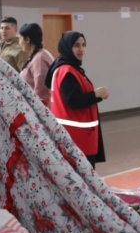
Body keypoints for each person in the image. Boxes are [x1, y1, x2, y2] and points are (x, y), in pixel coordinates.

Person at [45, 31, 108, 167]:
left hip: (75, 138)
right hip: (77, 139)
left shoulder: (66, 68)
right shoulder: (67, 71)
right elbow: (74, 101)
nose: (81, 49)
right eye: (76, 45)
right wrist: (96, 94)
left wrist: (96, 97)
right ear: (67, 47)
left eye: (83, 45)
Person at [17, 22, 55, 106]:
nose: (19, 42)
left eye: (20, 38)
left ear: (27, 40)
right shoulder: (37, 56)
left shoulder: (40, 58)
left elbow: (42, 92)